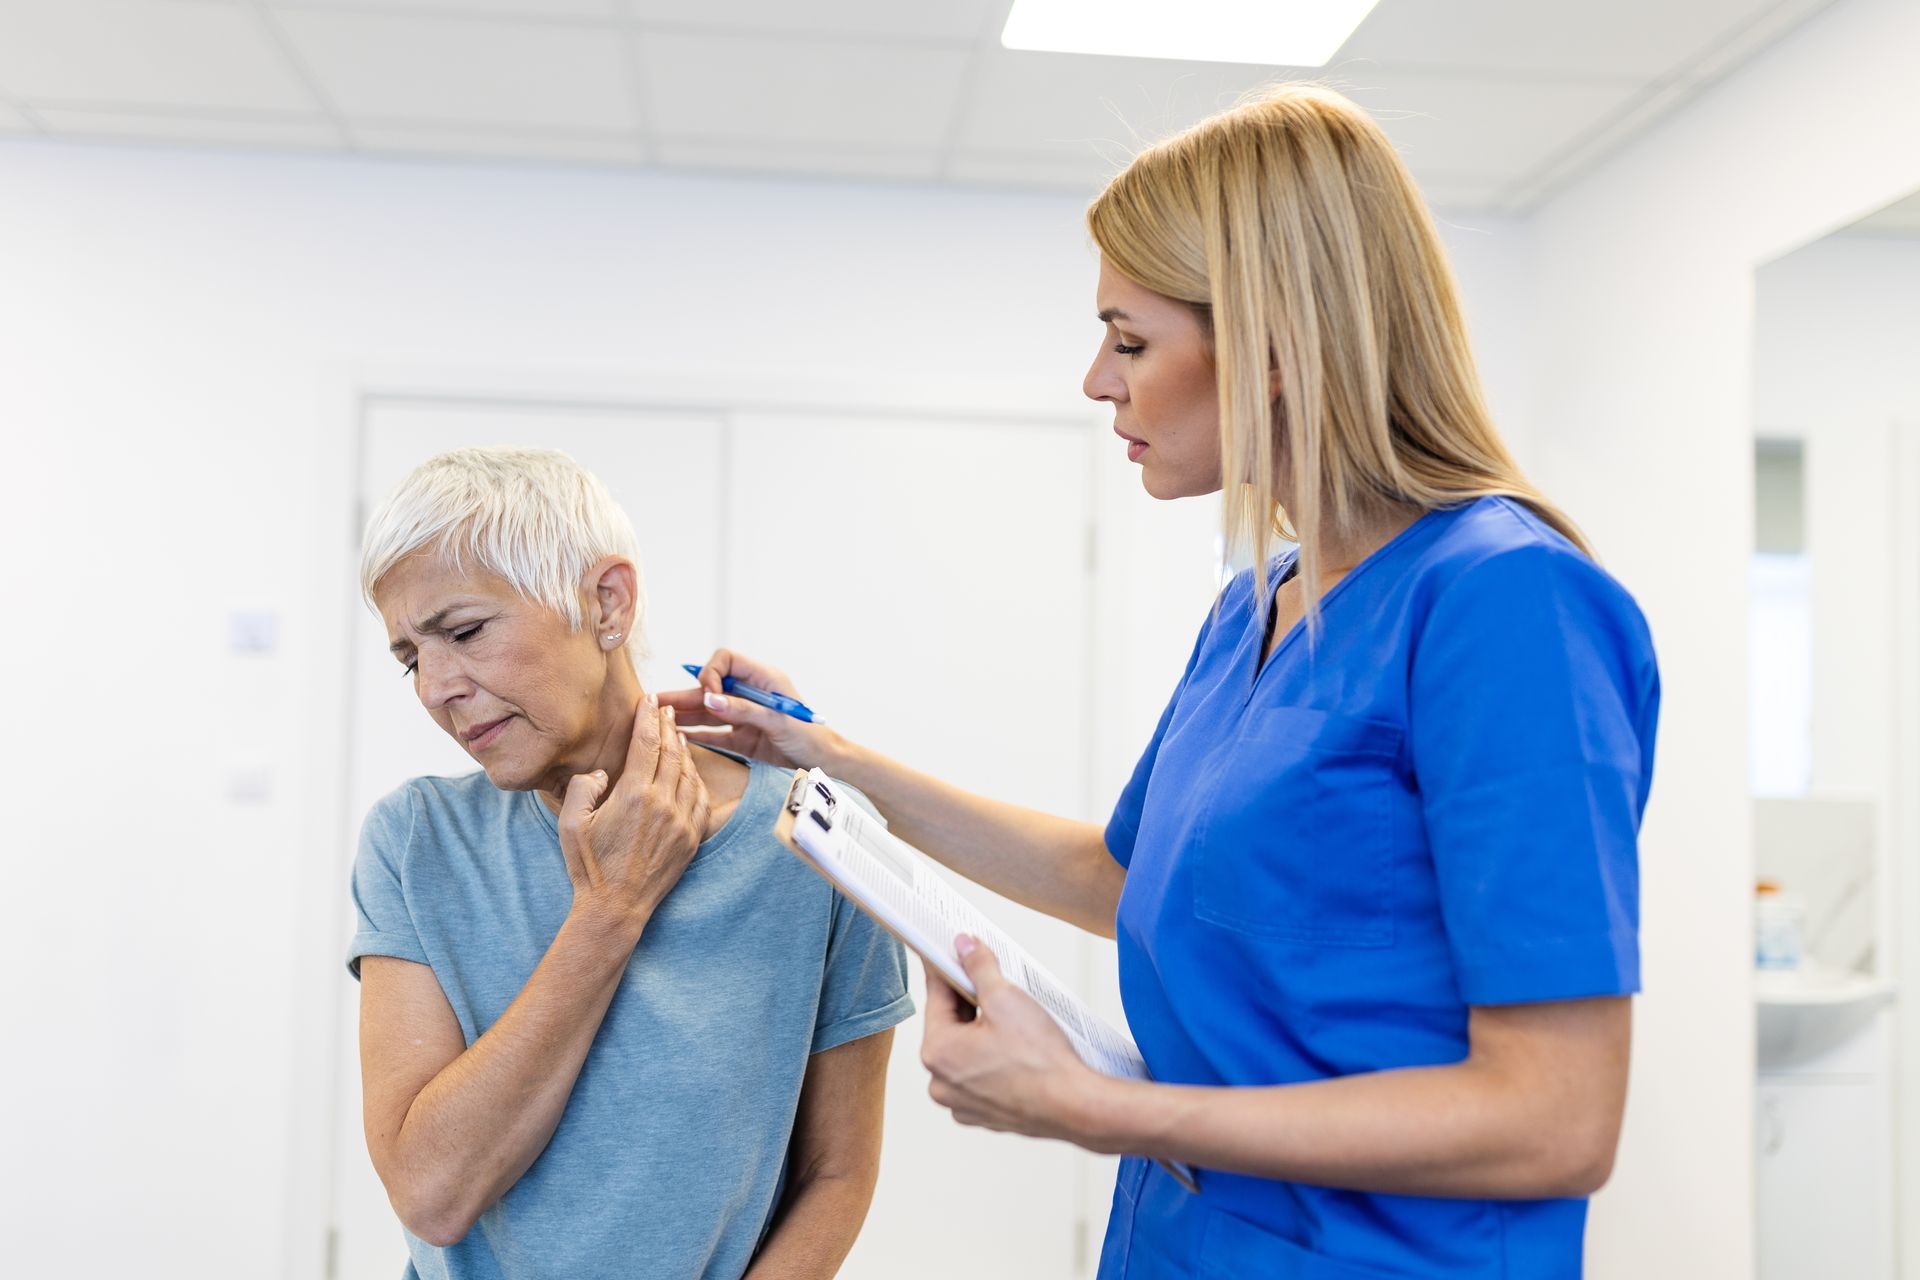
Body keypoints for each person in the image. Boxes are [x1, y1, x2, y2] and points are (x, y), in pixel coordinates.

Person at [665, 84, 1659, 1278]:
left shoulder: (1504, 604)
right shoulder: (1262, 602)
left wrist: (1102, 1105)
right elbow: (1127, 875)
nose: (1097, 380)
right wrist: (827, 758)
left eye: (1129, 340)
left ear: (1277, 346)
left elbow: (1554, 1116)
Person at [347, 446, 912, 1280]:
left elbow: (836, 1174)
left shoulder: (819, 842)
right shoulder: (416, 840)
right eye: (409, 659)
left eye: (463, 633)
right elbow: (433, 1193)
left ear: (606, 602)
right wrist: (608, 912)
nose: (435, 687)